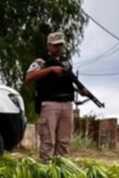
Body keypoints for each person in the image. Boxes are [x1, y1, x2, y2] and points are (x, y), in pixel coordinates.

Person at [26, 32, 90, 162]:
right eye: (55, 45)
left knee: (64, 141)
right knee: (48, 140)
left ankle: (61, 168)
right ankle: (45, 168)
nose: (58, 48)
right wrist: (50, 70)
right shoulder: (41, 61)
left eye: (61, 45)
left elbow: (65, 81)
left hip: (66, 104)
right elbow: (29, 77)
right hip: (50, 103)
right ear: (48, 45)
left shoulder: (65, 62)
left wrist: (78, 89)